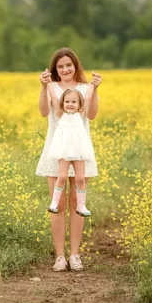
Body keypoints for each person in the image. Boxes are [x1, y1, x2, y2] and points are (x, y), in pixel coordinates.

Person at [36, 47, 101, 272]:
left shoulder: (85, 88)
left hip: (80, 151)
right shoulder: (51, 87)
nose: (65, 69)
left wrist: (95, 89)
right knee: (59, 204)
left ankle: (75, 255)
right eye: (60, 66)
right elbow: (44, 112)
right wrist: (43, 87)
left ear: (75, 66)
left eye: (68, 65)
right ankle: (59, 256)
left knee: (76, 203)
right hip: (57, 151)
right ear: (55, 69)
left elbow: (91, 115)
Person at [46, 85, 95, 217]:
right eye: (67, 102)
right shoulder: (60, 114)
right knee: (61, 176)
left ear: (79, 104)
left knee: (80, 178)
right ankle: (54, 203)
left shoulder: (81, 114)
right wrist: (48, 83)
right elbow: (55, 97)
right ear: (63, 103)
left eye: (74, 102)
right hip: (64, 150)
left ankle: (81, 205)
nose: (70, 104)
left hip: (79, 150)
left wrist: (93, 85)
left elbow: (89, 97)